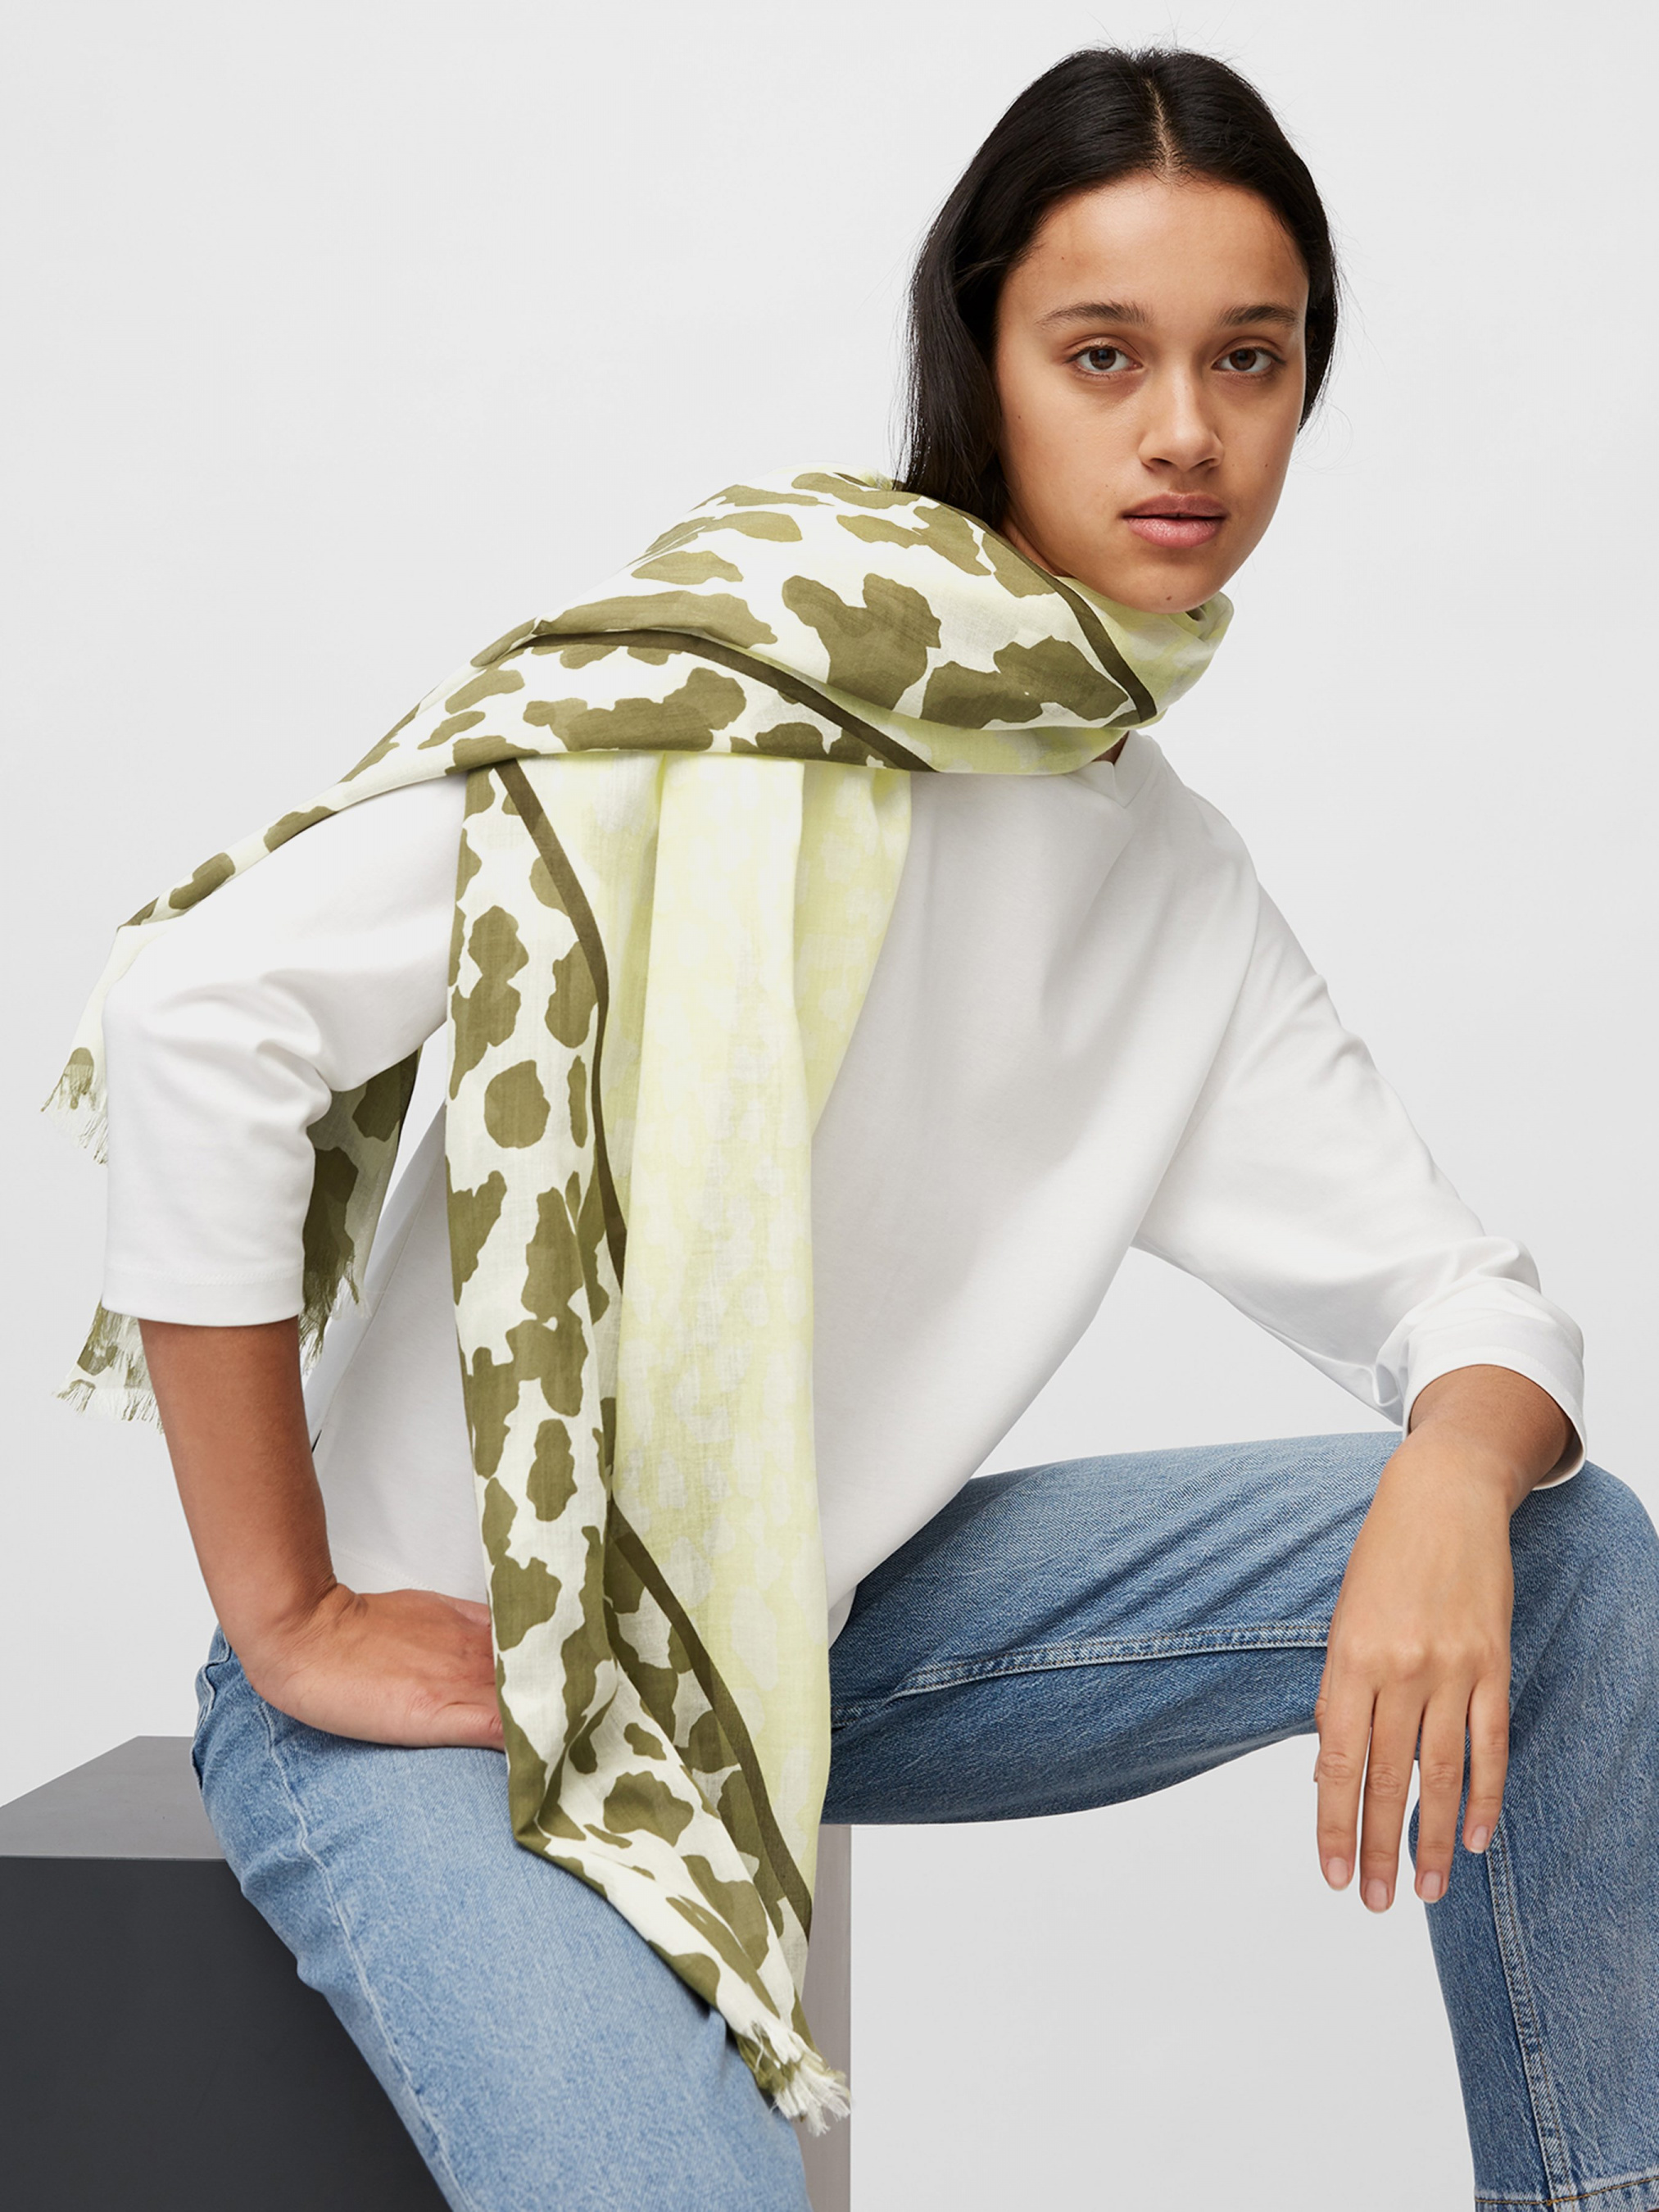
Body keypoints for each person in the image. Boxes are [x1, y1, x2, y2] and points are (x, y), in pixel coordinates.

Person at [56, 43, 1659, 2212]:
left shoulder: (1160, 874)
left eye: (1249, 358)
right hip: (462, 1671)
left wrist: (1460, 1463)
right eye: (1103, 353)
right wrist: (286, 1611)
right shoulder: (719, 693)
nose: (1185, 431)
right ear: (981, 361)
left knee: (1561, 1554)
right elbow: (196, 1013)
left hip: (803, 1635)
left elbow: (1463, 1299)